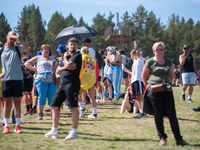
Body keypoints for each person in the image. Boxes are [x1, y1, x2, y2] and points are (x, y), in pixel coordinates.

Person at [142, 41, 190, 146]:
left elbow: (171, 75)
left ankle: (179, 139)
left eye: (162, 49)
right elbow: (143, 76)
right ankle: (162, 138)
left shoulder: (168, 61)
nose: (161, 51)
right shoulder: (150, 62)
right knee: (158, 114)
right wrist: (149, 86)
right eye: (159, 49)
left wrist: (167, 84)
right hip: (155, 92)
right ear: (154, 51)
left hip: (167, 91)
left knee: (172, 115)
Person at [45, 38, 82, 140]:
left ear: (77, 46)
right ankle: (54, 130)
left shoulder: (77, 55)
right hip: (62, 84)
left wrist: (65, 60)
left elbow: (69, 65)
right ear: (68, 46)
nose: (73, 46)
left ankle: (74, 131)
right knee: (53, 106)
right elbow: (58, 70)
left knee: (73, 107)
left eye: (75, 44)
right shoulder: (67, 57)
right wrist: (66, 66)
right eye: (71, 44)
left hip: (72, 84)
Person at [1, 31, 31, 134]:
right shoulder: (1, 50)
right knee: (6, 103)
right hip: (6, 80)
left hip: (18, 80)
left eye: (14, 37)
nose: (12, 38)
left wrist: (18, 38)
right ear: (7, 37)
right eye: (11, 36)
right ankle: (7, 126)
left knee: (17, 103)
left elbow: (28, 49)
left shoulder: (18, 49)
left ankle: (17, 126)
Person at [25, 44, 58, 120]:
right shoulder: (38, 58)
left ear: (49, 51)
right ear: (41, 51)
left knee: (52, 98)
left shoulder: (53, 58)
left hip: (52, 81)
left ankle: (52, 114)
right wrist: (34, 69)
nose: (46, 50)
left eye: (47, 49)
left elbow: (57, 67)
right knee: (41, 97)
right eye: (44, 49)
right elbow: (26, 63)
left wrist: (55, 66)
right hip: (41, 81)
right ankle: (40, 113)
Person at [83, 38, 104, 118]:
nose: (84, 44)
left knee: (83, 92)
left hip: (89, 74)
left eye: (85, 43)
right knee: (90, 94)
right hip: (92, 73)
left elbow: (89, 61)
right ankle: (94, 113)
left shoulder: (90, 51)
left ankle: (82, 108)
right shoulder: (92, 50)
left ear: (88, 43)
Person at [123, 49, 146, 118]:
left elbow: (138, 53)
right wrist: (126, 71)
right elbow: (133, 73)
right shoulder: (135, 62)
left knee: (140, 96)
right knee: (137, 97)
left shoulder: (140, 60)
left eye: (131, 55)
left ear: (135, 55)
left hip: (138, 80)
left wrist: (135, 49)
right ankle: (141, 112)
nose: (131, 56)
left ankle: (144, 112)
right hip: (134, 81)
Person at [21, 52, 35, 116]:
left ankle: (27, 109)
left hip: (23, 77)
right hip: (30, 77)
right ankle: (31, 108)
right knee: (29, 93)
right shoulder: (30, 58)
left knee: (25, 93)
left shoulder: (21, 59)